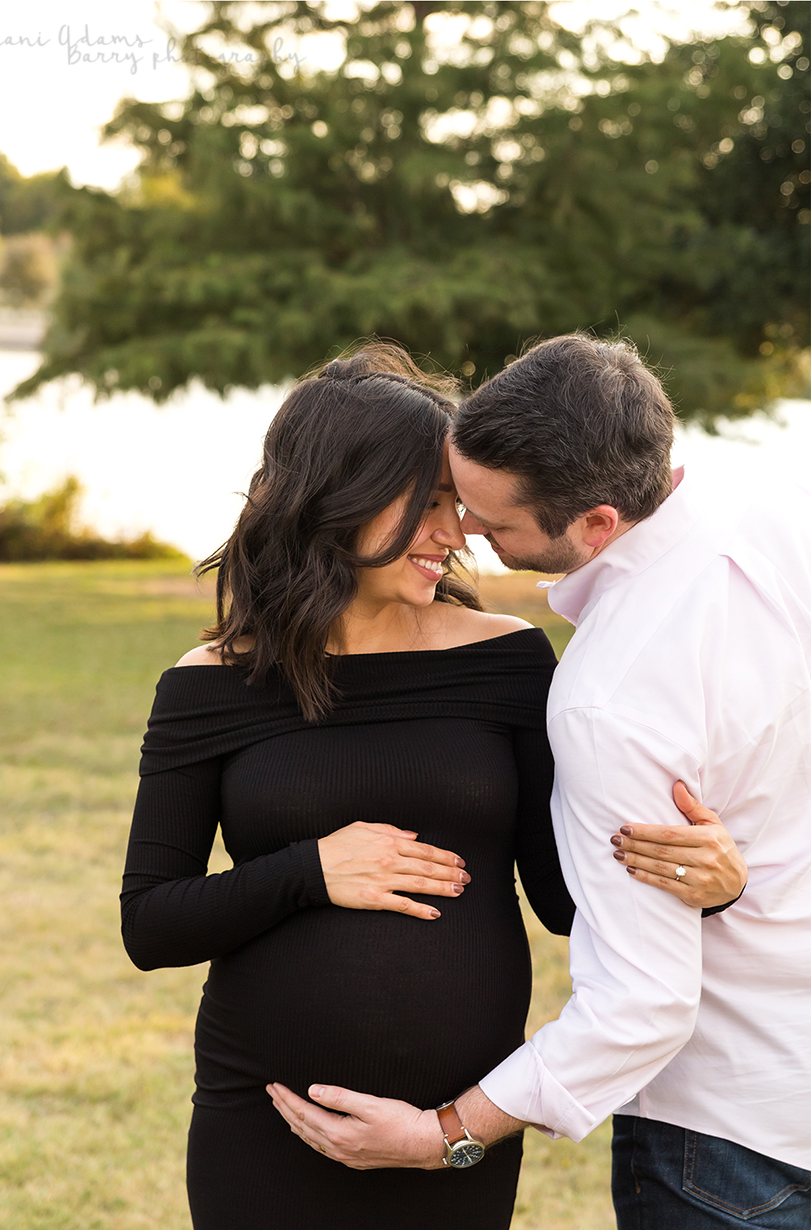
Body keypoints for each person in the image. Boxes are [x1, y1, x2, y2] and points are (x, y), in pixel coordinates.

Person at [120, 341, 746, 1229]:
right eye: (430, 505)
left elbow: (569, 902)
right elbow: (150, 923)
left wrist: (701, 886)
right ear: (337, 496)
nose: (456, 535)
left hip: (456, 1127)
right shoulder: (211, 682)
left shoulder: (509, 661)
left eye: (457, 505)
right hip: (267, 1125)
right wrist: (312, 870)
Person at [269, 334, 810, 1228]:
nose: (463, 532)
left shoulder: (613, 695)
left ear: (595, 523)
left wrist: (445, 1133)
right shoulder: (778, 509)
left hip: (729, 1132)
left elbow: (642, 1007)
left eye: (492, 519)